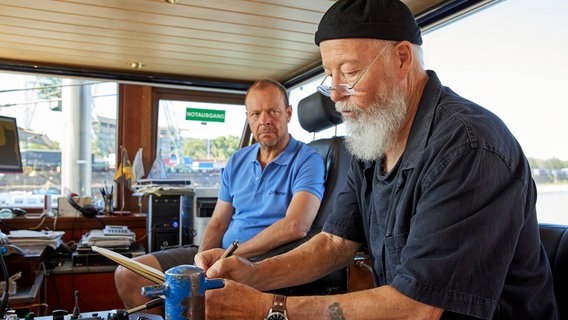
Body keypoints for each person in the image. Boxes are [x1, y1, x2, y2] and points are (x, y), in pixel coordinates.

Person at [195, 0, 558, 319]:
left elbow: (418, 307)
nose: (336, 96)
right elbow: (335, 244)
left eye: (350, 73)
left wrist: (268, 309)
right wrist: (253, 274)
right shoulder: (372, 140)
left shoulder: (469, 147)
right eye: (329, 76)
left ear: (402, 57)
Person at [114, 79, 325, 312]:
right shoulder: (237, 161)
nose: (264, 120)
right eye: (255, 113)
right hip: (219, 256)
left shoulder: (307, 160)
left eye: (273, 112)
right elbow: (218, 223)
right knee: (128, 275)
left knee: (204, 300)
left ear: (288, 113)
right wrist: (200, 262)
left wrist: (228, 256)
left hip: (263, 261)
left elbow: (296, 226)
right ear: (248, 118)